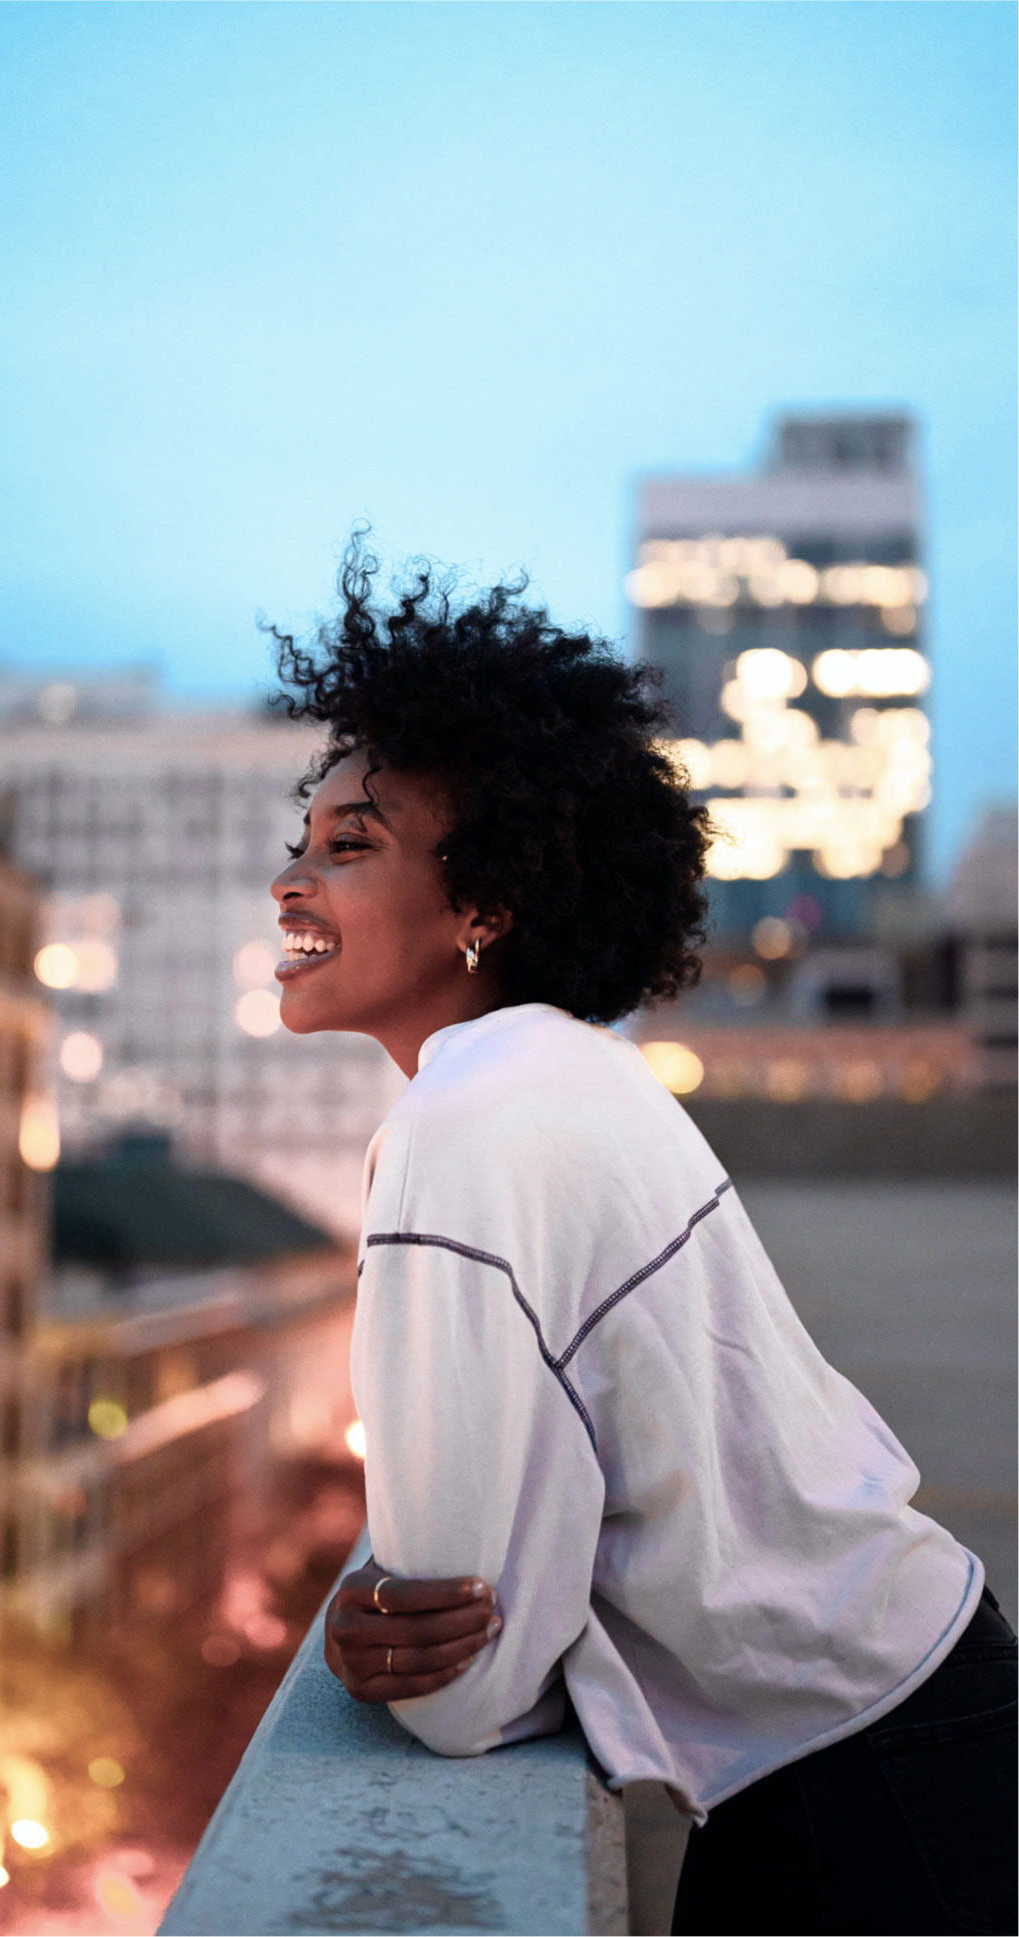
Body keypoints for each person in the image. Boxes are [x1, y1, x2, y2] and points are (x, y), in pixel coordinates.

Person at [266, 538, 1016, 1937]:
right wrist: (405, 1604)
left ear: (485, 900)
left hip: (858, 1792)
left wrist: (399, 1638)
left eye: (350, 845)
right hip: (895, 1717)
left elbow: (465, 1690)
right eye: (300, 842)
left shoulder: (462, 1125)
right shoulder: (574, 1068)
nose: (291, 882)